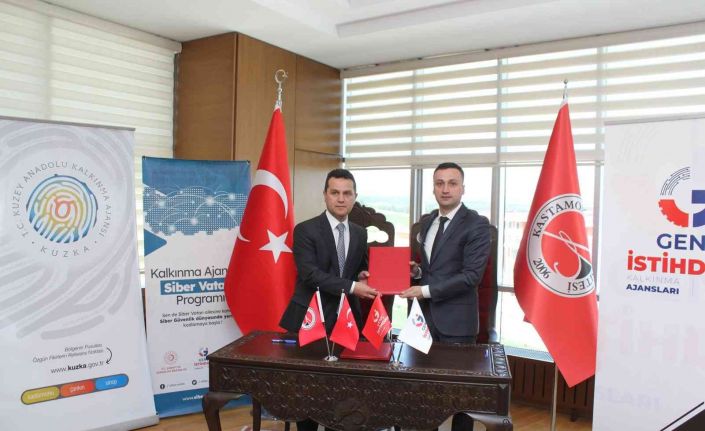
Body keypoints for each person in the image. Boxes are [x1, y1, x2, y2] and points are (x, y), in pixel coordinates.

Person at [279, 168, 378, 431]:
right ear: (325, 195)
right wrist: (353, 286)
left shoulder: (360, 232)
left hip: (348, 320)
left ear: (355, 196)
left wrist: (362, 275)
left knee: (344, 393)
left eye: (347, 193)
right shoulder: (305, 230)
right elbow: (310, 275)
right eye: (335, 193)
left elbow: (357, 268)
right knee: (307, 393)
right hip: (310, 319)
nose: (341, 199)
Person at [400, 162, 491, 431]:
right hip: (422, 322)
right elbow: (432, 269)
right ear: (433, 188)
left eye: (452, 183)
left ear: (463, 188)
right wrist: (417, 272)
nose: (445, 189)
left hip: (457, 322)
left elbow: (471, 276)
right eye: (439, 183)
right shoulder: (428, 221)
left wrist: (424, 291)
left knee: (459, 397)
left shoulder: (477, 225)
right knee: (420, 392)